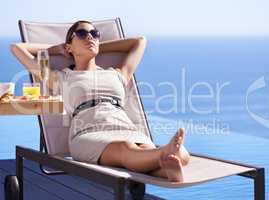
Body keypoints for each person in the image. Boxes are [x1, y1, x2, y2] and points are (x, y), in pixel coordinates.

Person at [11, 20, 190, 182]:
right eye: (82, 34)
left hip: (125, 128)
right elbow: (17, 48)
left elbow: (140, 41)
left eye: (95, 34)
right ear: (69, 47)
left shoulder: (117, 73)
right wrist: (57, 49)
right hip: (88, 134)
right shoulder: (61, 78)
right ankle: (165, 155)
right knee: (127, 148)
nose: (90, 37)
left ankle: (169, 170)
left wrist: (93, 45)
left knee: (163, 151)